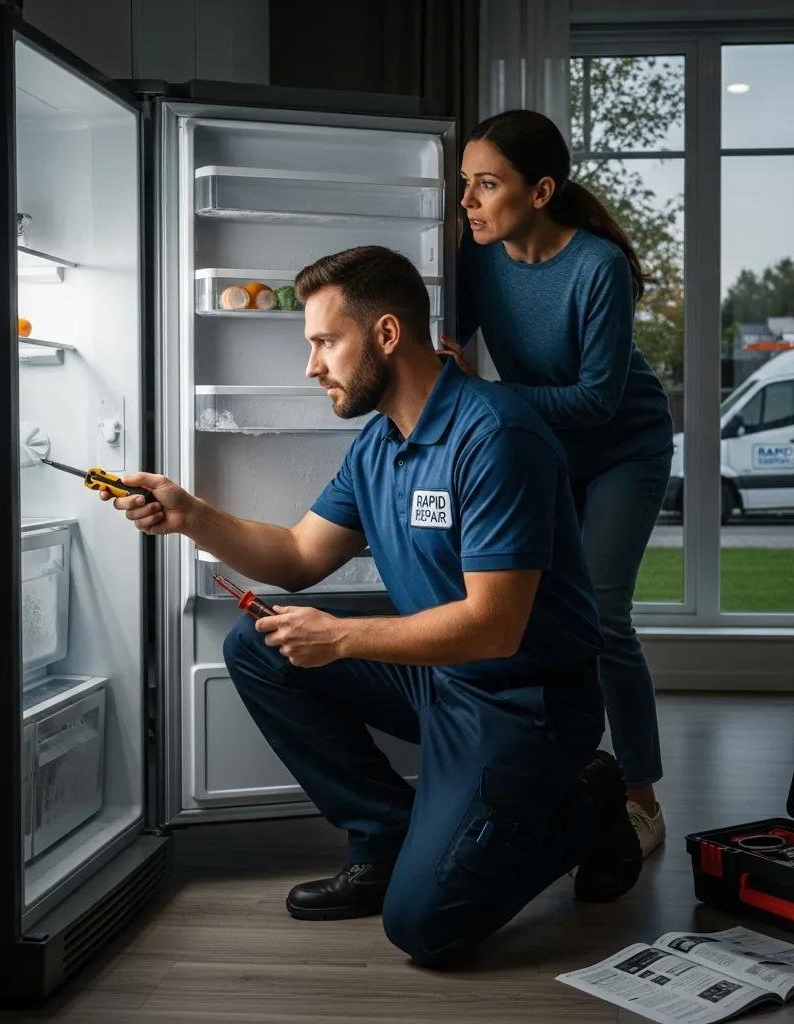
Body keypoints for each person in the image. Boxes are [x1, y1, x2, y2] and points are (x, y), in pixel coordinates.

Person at [106, 246, 643, 966]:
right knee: (259, 647)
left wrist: (342, 637)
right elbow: (297, 557)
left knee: (427, 929)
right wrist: (191, 515)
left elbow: (494, 625)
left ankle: (589, 798)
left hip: (527, 701)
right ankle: (386, 838)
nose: (311, 366)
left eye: (325, 342)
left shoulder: (496, 437)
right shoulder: (379, 445)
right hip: (442, 679)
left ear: (386, 333)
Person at [442, 109, 674, 860]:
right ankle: (564, 776)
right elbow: (442, 352)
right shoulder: (477, 258)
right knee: (537, 616)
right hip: (543, 449)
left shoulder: (598, 267)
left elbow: (597, 400)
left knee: (603, 618)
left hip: (624, 448)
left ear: (540, 192)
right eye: (465, 184)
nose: (467, 202)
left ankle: (640, 796)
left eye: (486, 185)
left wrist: (484, 392)